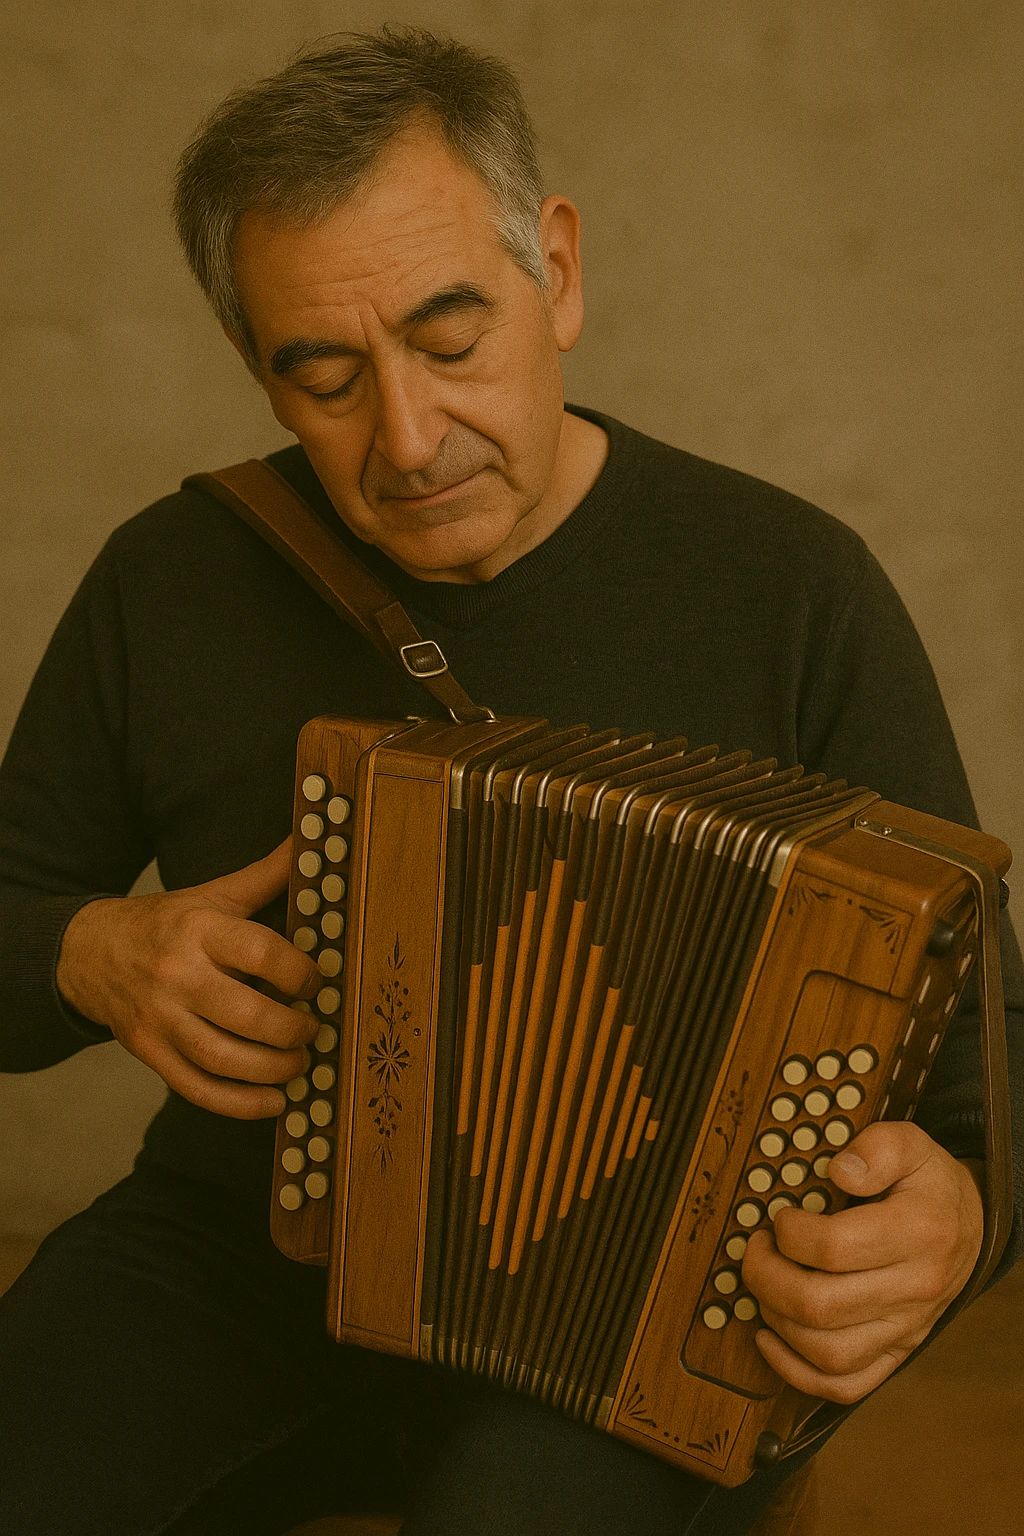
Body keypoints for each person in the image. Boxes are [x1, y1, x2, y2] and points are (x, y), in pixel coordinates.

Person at [0, 26, 1020, 1536]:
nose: (406, 439)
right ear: (257, 370)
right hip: (238, 1259)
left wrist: (966, 1218)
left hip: (655, 1307)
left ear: (557, 271)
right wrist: (93, 953)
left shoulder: (794, 589)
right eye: (327, 377)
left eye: (451, 340)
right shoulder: (174, 578)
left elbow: (990, 1069)